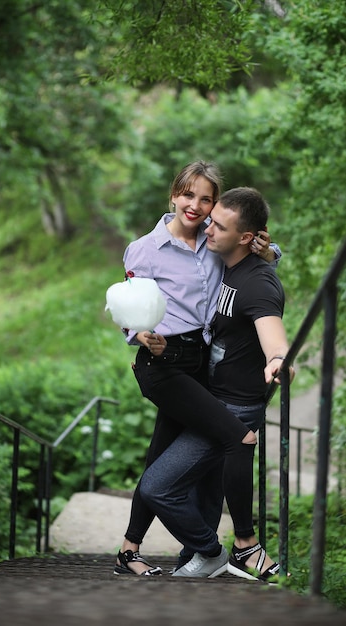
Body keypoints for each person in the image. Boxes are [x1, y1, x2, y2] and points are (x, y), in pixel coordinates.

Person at [113, 162, 281, 577]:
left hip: (200, 362)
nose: (196, 206)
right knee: (233, 438)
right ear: (174, 194)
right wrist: (140, 335)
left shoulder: (214, 240)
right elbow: (128, 309)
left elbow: (254, 255)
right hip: (163, 361)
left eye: (206, 199)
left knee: (159, 457)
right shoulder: (144, 249)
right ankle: (229, 548)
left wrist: (270, 250)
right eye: (189, 195)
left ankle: (130, 549)